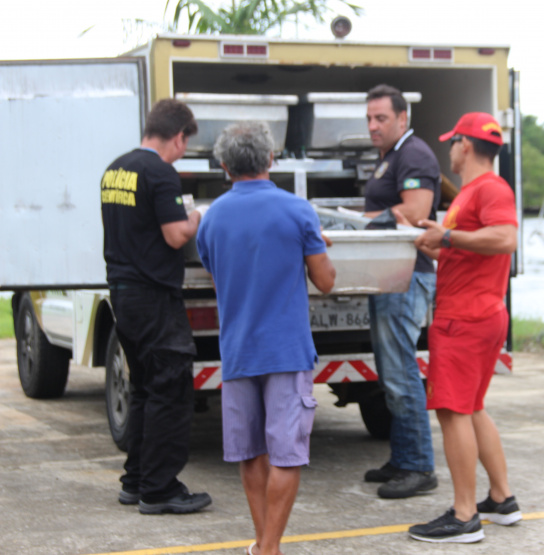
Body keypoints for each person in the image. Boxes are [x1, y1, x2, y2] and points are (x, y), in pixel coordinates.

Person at [196, 121, 335, 555]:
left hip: (237, 351)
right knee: (287, 453)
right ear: (271, 159)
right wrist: (318, 248)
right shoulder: (297, 211)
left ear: (224, 166)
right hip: (287, 351)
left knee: (249, 451)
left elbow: (217, 276)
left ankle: (262, 544)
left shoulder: (211, 218)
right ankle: (270, 547)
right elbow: (325, 281)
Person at [407, 112, 521, 543]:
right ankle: (502, 498)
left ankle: (463, 515)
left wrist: (449, 238)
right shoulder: (471, 194)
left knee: (453, 410)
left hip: (465, 319)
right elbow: (475, 252)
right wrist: (435, 244)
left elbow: (505, 238)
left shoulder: (489, 188)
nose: (448, 150)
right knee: (472, 407)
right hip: (477, 313)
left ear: (465, 145)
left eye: (451, 143)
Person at [101, 98, 212, 515]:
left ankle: (136, 481)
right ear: (179, 135)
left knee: (145, 388)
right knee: (171, 388)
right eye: (185, 142)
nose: (183, 150)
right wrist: (198, 216)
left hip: (124, 295)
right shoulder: (160, 172)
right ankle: (160, 489)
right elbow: (174, 235)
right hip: (154, 297)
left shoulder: (116, 168)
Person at [362, 84, 442, 499]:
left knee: (401, 372)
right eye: (370, 118)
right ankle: (402, 456)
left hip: (407, 276)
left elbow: (415, 214)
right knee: (389, 372)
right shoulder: (391, 157)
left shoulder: (414, 155)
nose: (373, 126)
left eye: (381, 118)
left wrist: (368, 219)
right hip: (388, 275)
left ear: (402, 119)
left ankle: (418, 467)